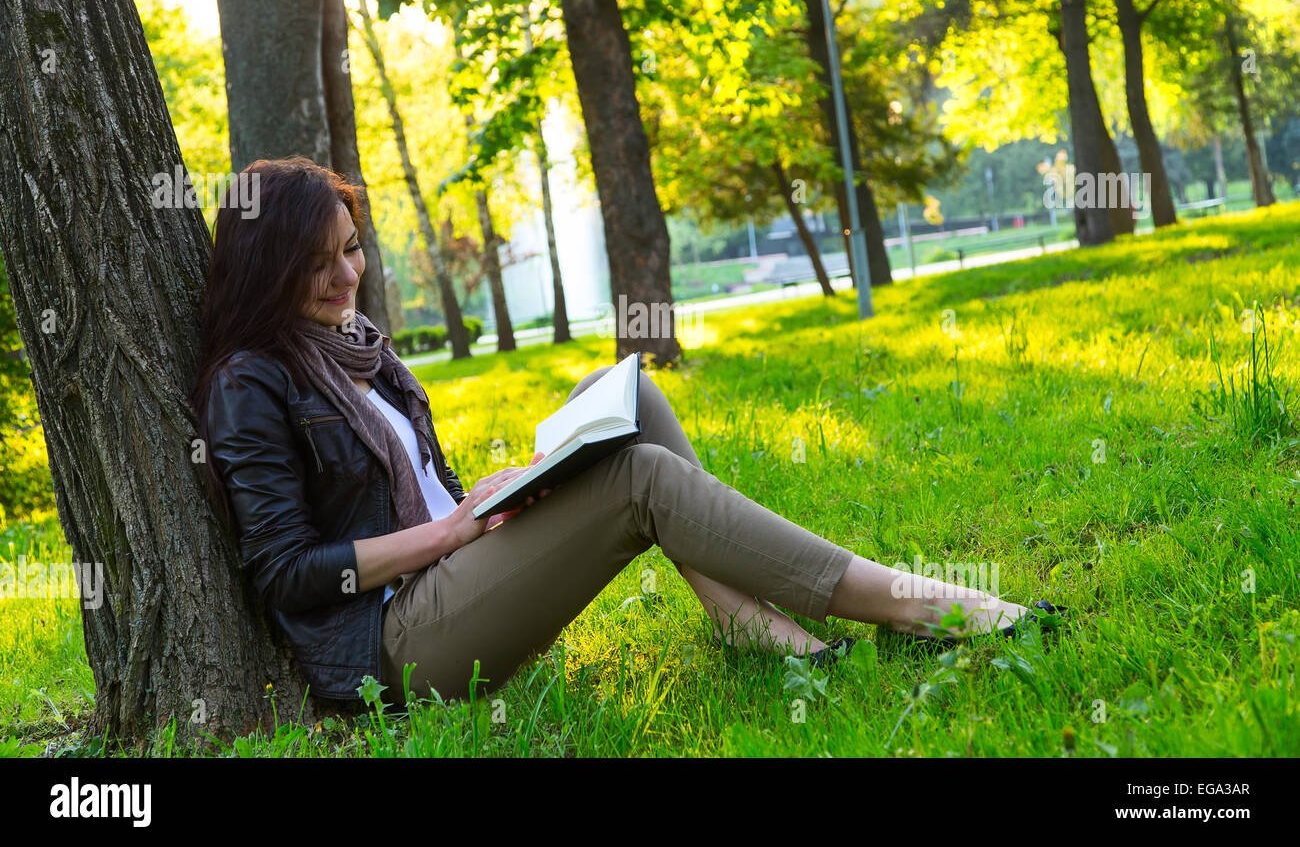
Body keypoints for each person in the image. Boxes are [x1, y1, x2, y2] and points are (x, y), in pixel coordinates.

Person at [192, 157, 1055, 709]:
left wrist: (489, 495)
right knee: (640, 477)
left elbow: (412, 488)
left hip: (447, 570)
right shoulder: (252, 380)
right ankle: (920, 606)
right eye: (318, 263)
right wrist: (450, 531)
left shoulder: (354, 352)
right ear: (272, 270)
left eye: (350, 248)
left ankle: (749, 623)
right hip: (393, 646)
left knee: (623, 397)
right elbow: (286, 573)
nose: (347, 275)